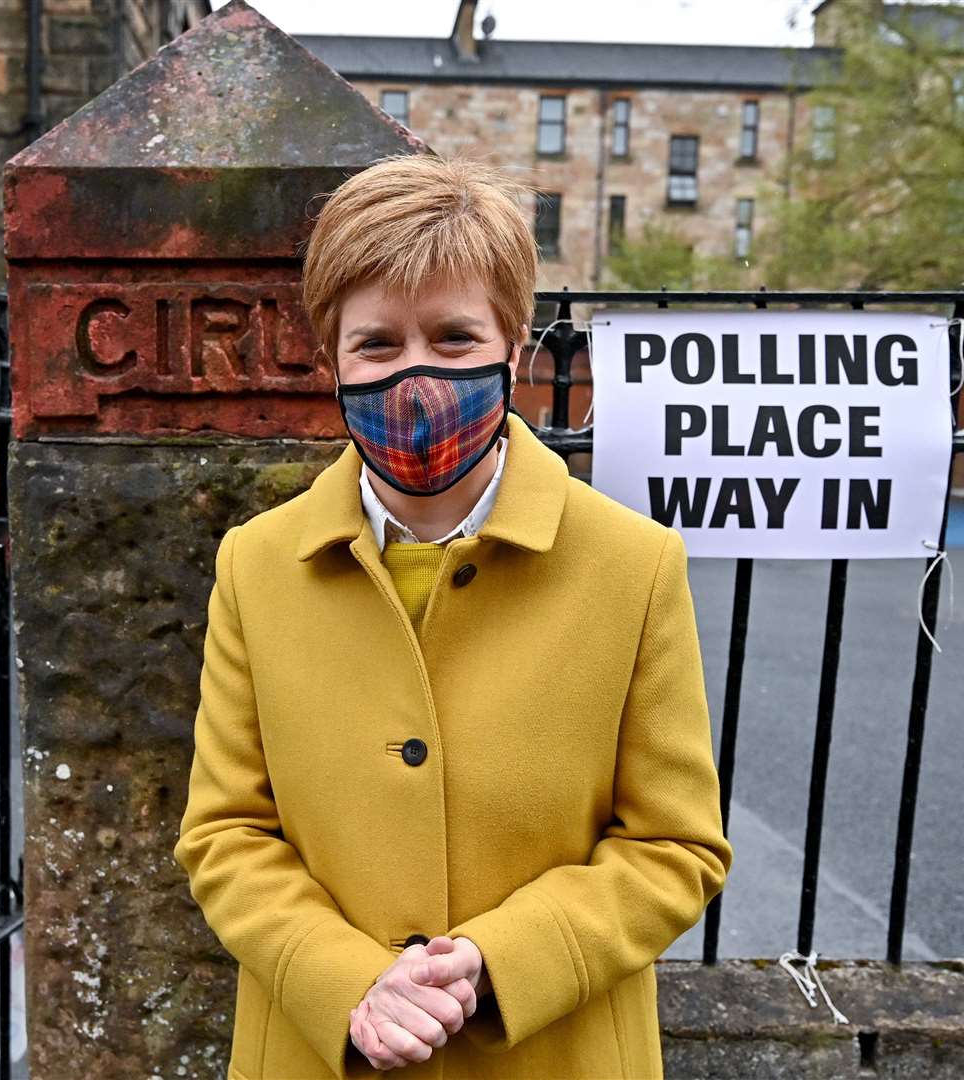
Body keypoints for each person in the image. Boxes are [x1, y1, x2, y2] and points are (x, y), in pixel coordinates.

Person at [172, 153, 732, 1079]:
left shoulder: (632, 566)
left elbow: (674, 847)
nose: (417, 376)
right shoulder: (257, 565)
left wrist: (502, 962)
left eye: (454, 337)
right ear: (332, 363)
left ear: (513, 348)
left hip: (555, 1052)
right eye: (378, 345)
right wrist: (345, 979)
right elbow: (225, 833)